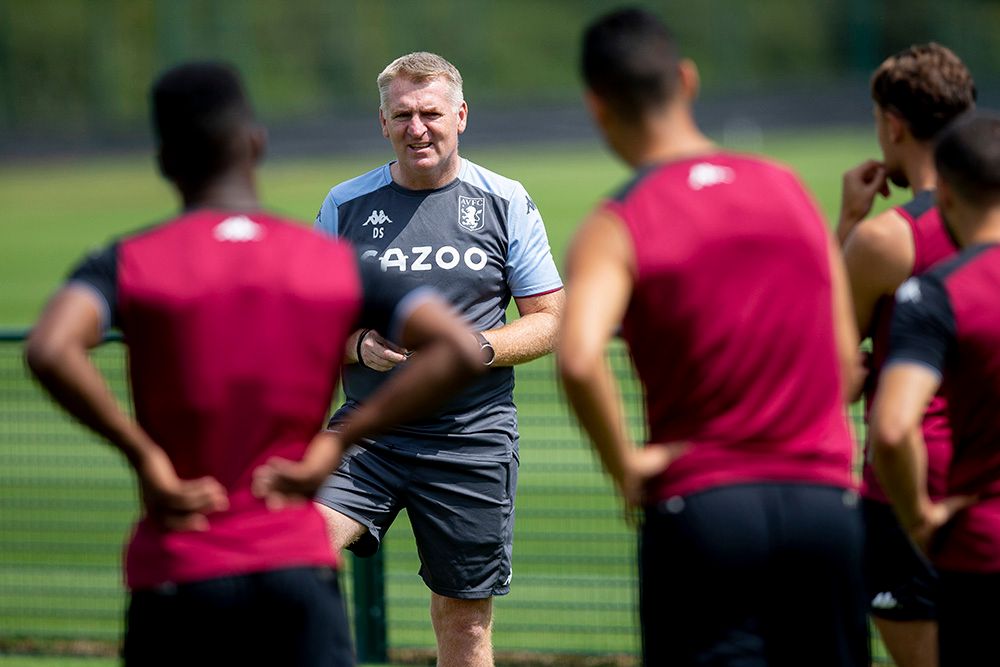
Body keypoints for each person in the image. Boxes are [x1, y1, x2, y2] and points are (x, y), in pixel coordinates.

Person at [24, 61, 484, 667]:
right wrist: (336, 444)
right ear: (256, 145)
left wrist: (144, 457)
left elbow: (50, 347)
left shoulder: (131, 261)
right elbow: (456, 347)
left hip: (178, 567)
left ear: (164, 161)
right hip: (294, 565)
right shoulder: (326, 262)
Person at [558, 9, 868, 666]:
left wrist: (627, 468)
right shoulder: (787, 189)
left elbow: (580, 356)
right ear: (688, 79)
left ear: (597, 104)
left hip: (703, 510)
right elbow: (844, 363)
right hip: (825, 505)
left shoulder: (617, 222)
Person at [313, 51, 563, 667]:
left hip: (469, 441)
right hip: (369, 433)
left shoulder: (504, 200)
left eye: (430, 113)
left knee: (465, 623)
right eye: (403, 115)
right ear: (383, 122)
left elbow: (551, 321)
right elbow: (305, 323)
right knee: (292, 553)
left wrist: (477, 348)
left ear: (461, 115)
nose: (417, 128)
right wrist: (358, 346)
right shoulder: (343, 206)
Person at [836, 43, 975, 667]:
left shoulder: (887, 240)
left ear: (892, 124)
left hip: (907, 492)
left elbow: (829, 367)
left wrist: (847, 222)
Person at [871, 112, 1000, 667]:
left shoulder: (938, 294)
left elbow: (894, 427)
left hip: (981, 551)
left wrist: (918, 517)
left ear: (944, 193)